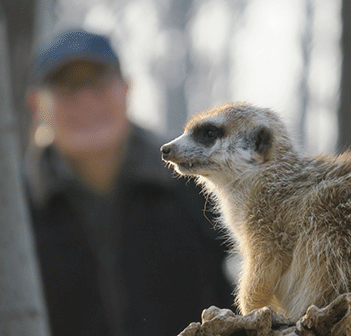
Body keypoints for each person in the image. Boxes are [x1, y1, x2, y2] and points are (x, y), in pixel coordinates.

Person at [24, 29, 233, 336]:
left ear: (126, 88)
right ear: (35, 105)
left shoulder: (200, 188)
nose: (85, 99)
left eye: (98, 82)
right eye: (66, 87)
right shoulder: (13, 213)